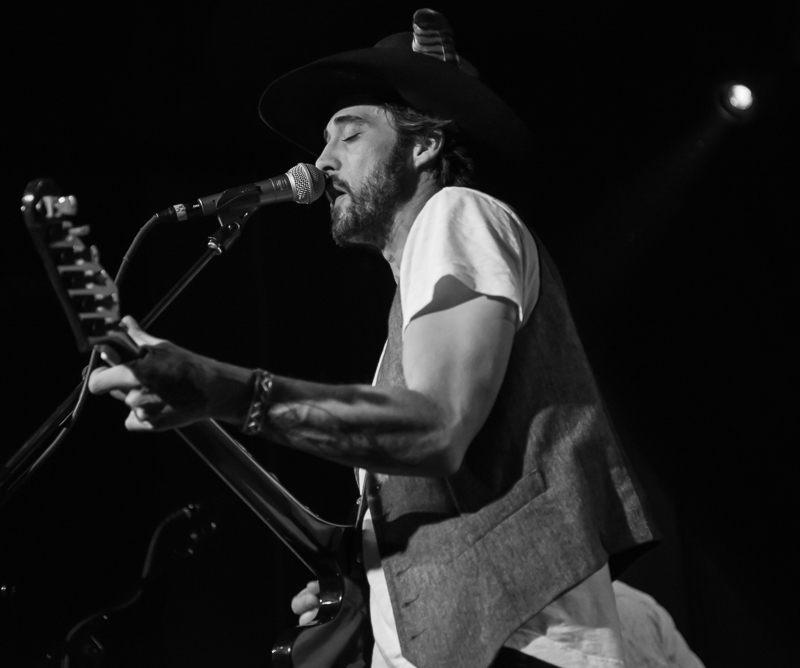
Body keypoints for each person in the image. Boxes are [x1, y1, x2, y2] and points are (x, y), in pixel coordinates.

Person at [89, 9, 665, 668]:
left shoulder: (456, 213)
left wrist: (224, 390)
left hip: (519, 646)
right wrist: (369, 580)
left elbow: (435, 428)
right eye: (324, 141)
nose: (321, 161)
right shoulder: (406, 322)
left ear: (424, 147)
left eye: (350, 134)